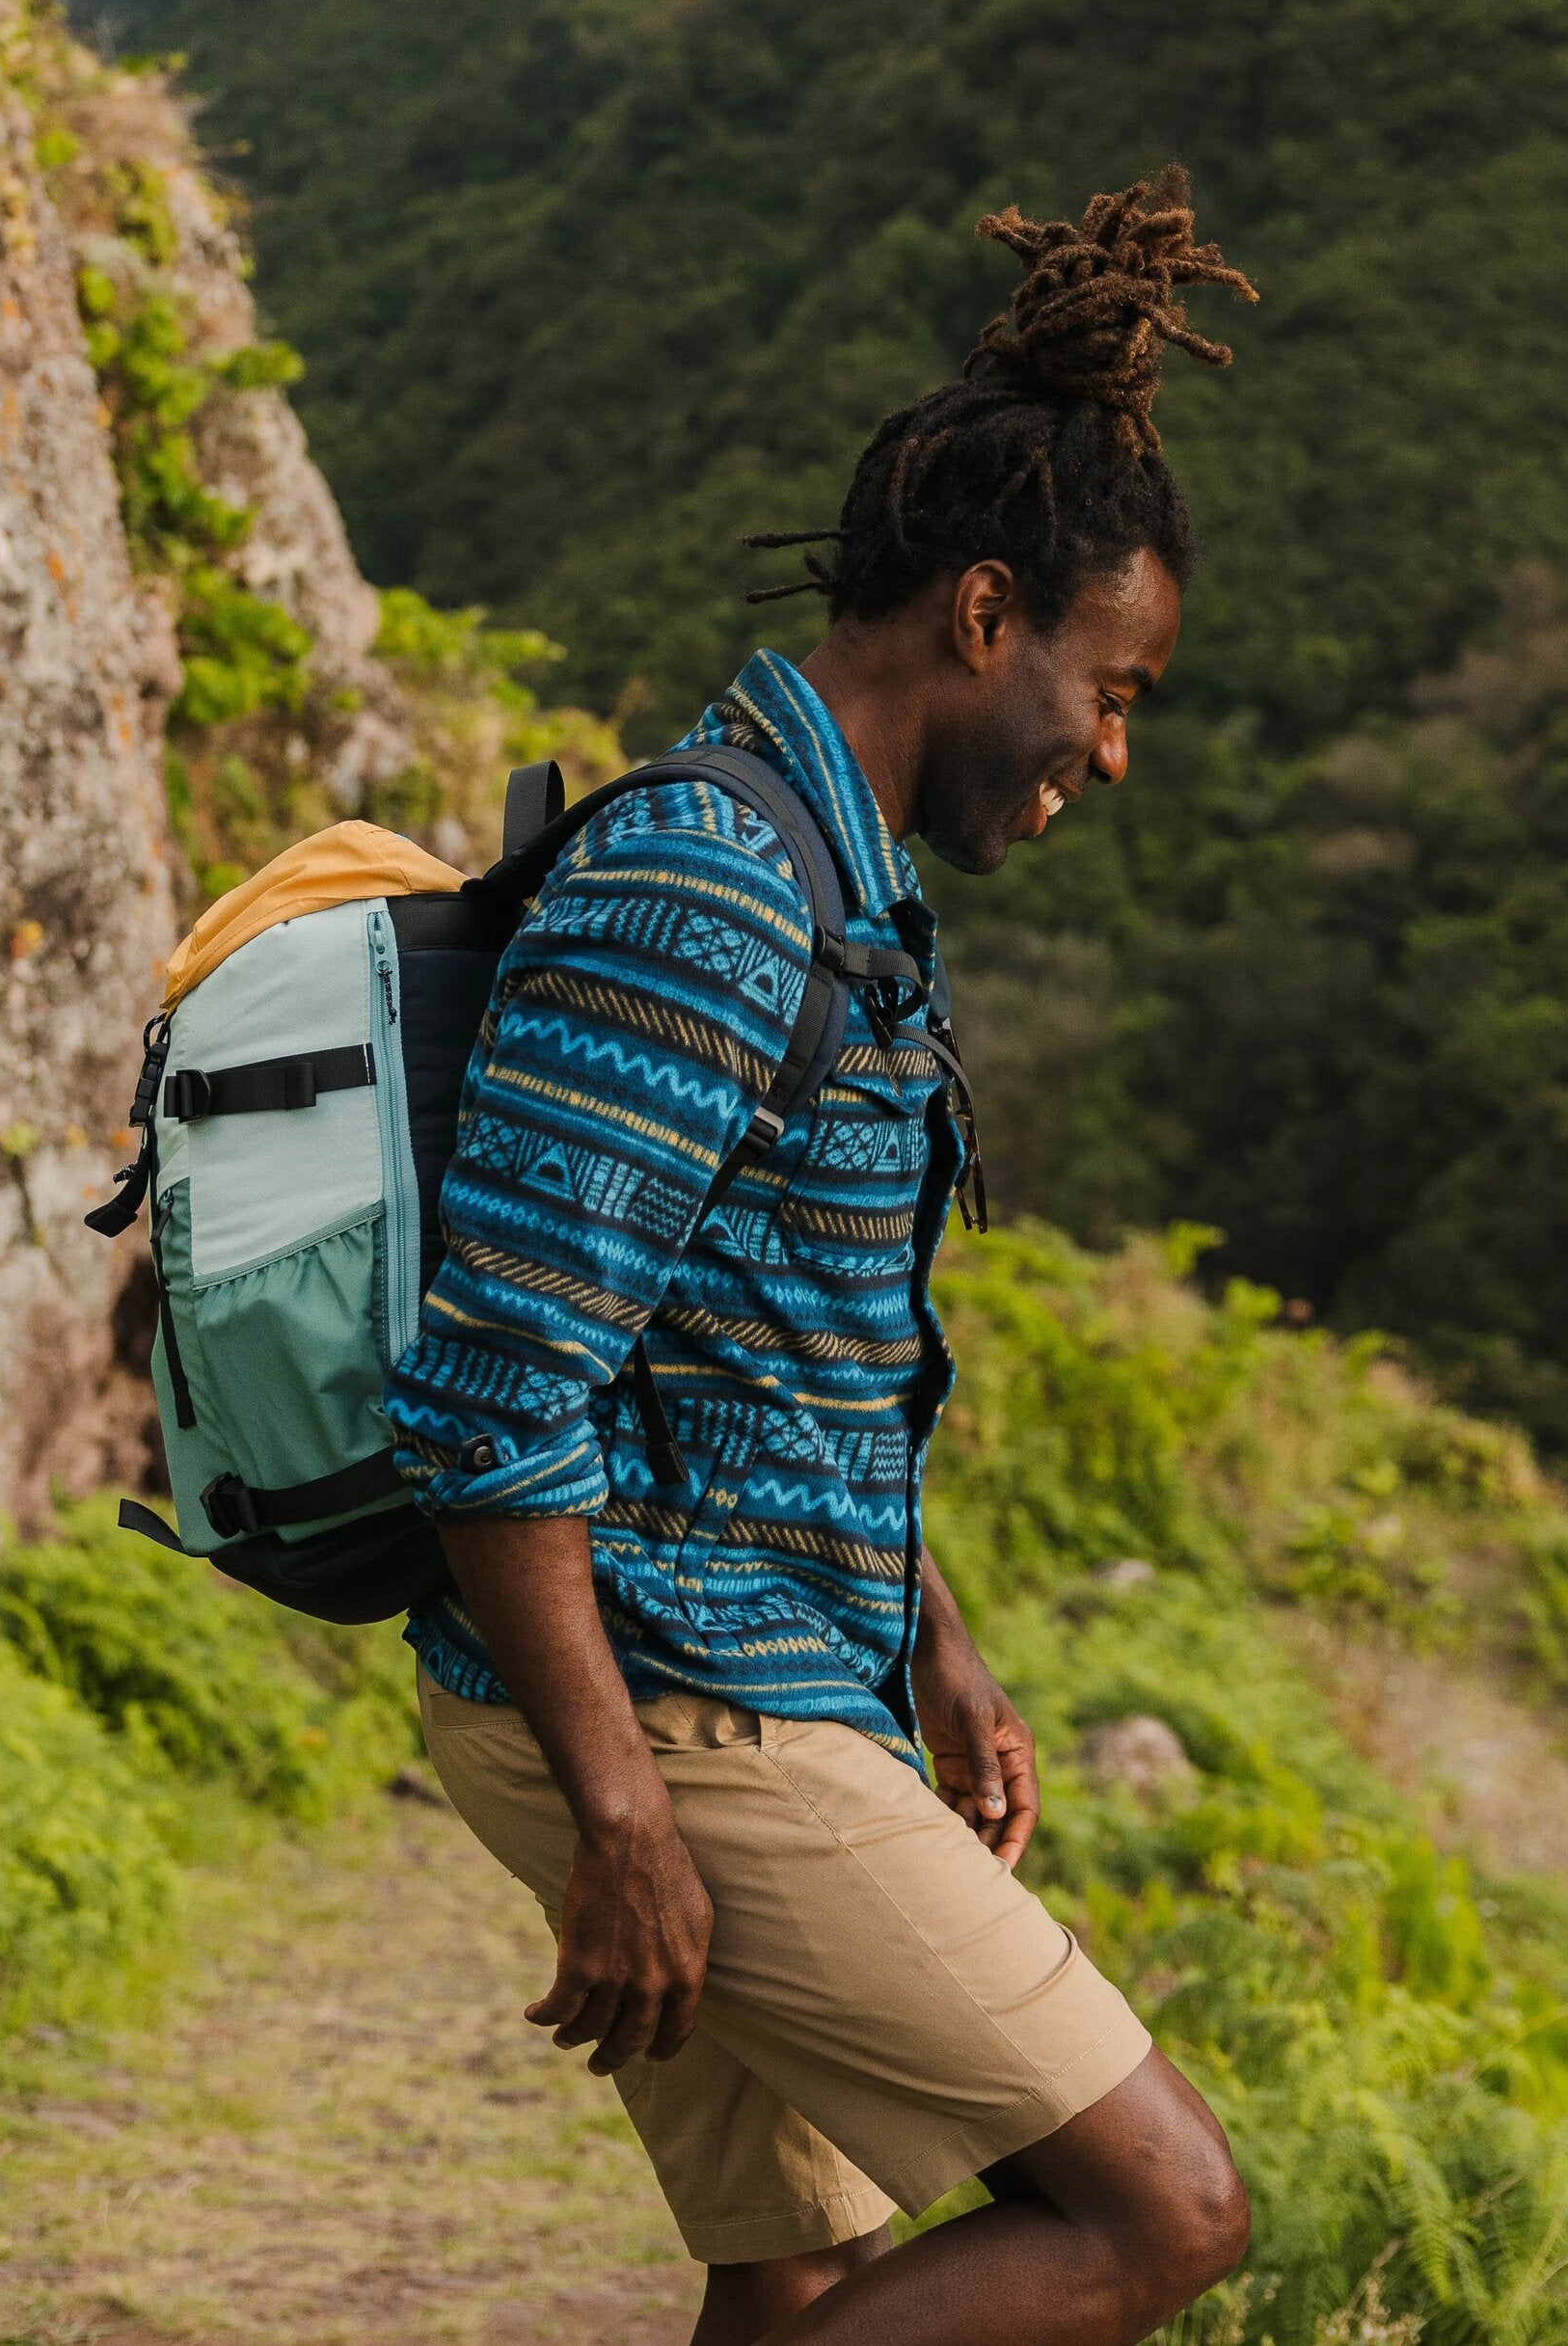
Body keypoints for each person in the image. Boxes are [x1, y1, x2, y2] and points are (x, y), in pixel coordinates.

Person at [383, 168, 1258, 2346]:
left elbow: (770, 1344)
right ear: (987, 616)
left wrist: (932, 1639)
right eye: (1110, 685)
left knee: (798, 2277)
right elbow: (498, 1381)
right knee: (1161, 2202)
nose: (1110, 750)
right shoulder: (707, 891)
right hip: (668, 1703)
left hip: (762, 1663)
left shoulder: (836, 892)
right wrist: (626, 1807)